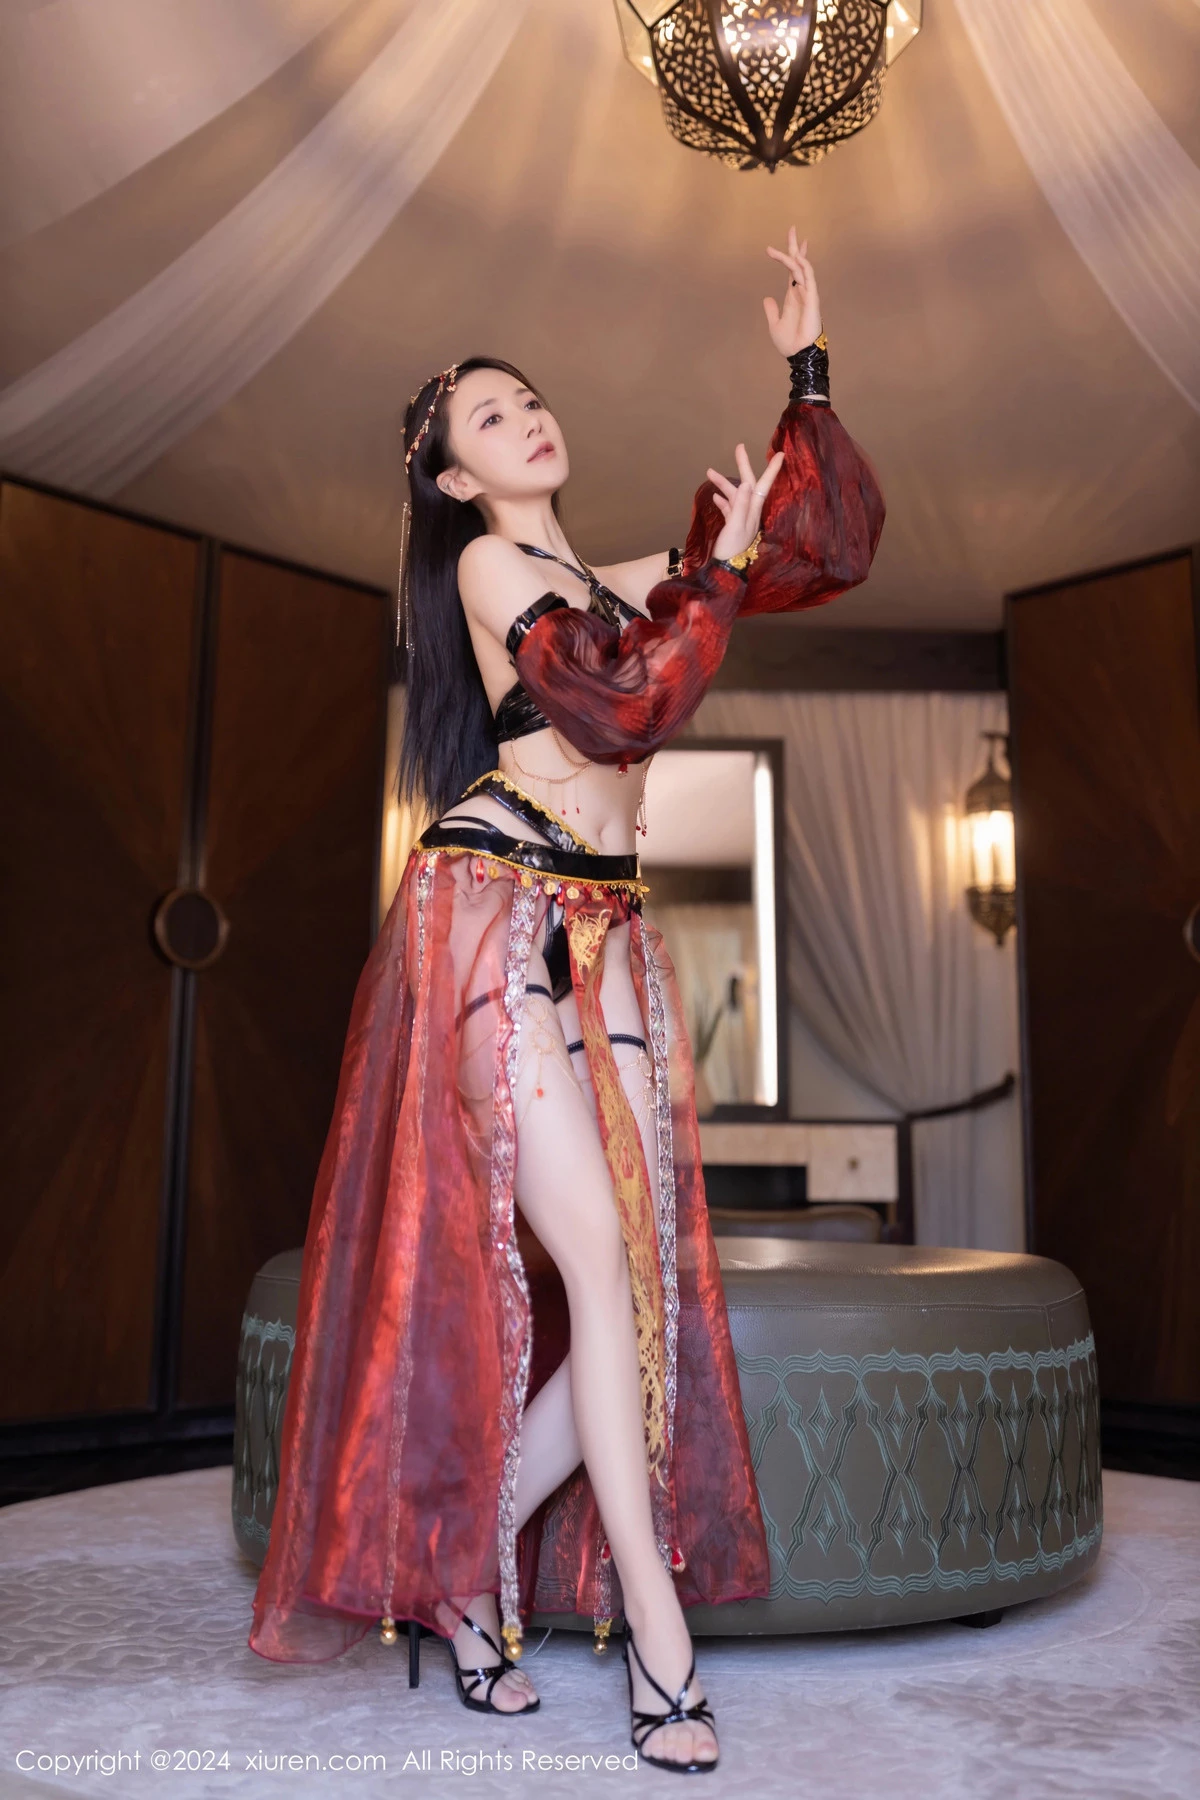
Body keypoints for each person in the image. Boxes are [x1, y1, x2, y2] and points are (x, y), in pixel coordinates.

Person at [248, 228, 885, 1775]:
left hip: (607, 925)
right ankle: (662, 1647)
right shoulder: (491, 568)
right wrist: (715, 572)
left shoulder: (620, 578)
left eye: (530, 398)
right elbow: (622, 705)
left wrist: (806, 373)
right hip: (496, 912)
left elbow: (821, 550)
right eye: (491, 416)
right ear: (454, 475)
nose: (527, 418)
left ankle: (468, 1582)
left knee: (631, 1289)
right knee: (597, 1260)